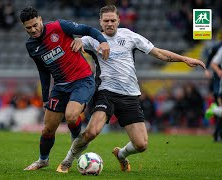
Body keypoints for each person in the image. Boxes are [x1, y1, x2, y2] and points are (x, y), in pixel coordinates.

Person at [57, 5, 206, 173]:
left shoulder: (129, 36)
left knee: (141, 145)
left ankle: (121, 155)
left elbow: (158, 53)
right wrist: (76, 41)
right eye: (106, 21)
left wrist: (184, 59)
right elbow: (72, 43)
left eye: (113, 20)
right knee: (92, 132)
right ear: (100, 22)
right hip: (105, 93)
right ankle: (67, 161)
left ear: (119, 20)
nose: (110, 24)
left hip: (129, 95)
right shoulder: (92, 39)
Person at [19, 7, 110, 171]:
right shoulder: (31, 45)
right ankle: (43, 160)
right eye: (28, 28)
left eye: (35, 25)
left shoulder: (59, 27)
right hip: (60, 86)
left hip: (82, 80)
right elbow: (43, 71)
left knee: (71, 115)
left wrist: (102, 41)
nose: (33, 30)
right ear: (24, 27)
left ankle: (76, 141)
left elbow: (88, 29)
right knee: (48, 129)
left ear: (40, 19)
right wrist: (45, 96)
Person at [204, 28, 222, 142]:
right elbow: (212, 62)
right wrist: (209, 69)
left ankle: (218, 133)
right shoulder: (220, 48)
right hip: (221, 82)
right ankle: (218, 133)